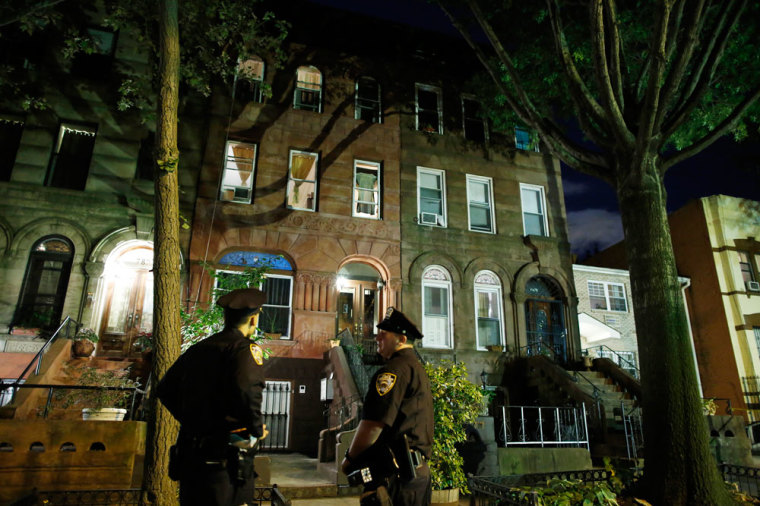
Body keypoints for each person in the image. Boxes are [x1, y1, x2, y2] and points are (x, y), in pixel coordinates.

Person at [157, 288, 268, 506]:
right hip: (226, 459)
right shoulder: (243, 349)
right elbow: (247, 390)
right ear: (253, 319)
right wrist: (256, 429)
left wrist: (192, 420)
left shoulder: (199, 348)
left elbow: (164, 389)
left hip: (191, 455)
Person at [341, 307, 433, 506]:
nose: (377, 338)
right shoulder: (416, 368)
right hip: (415, 476)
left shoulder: (392, 372)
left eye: (383, 335)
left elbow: (373, 425)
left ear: (400, 339)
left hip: (395, 478)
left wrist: (349, 459)